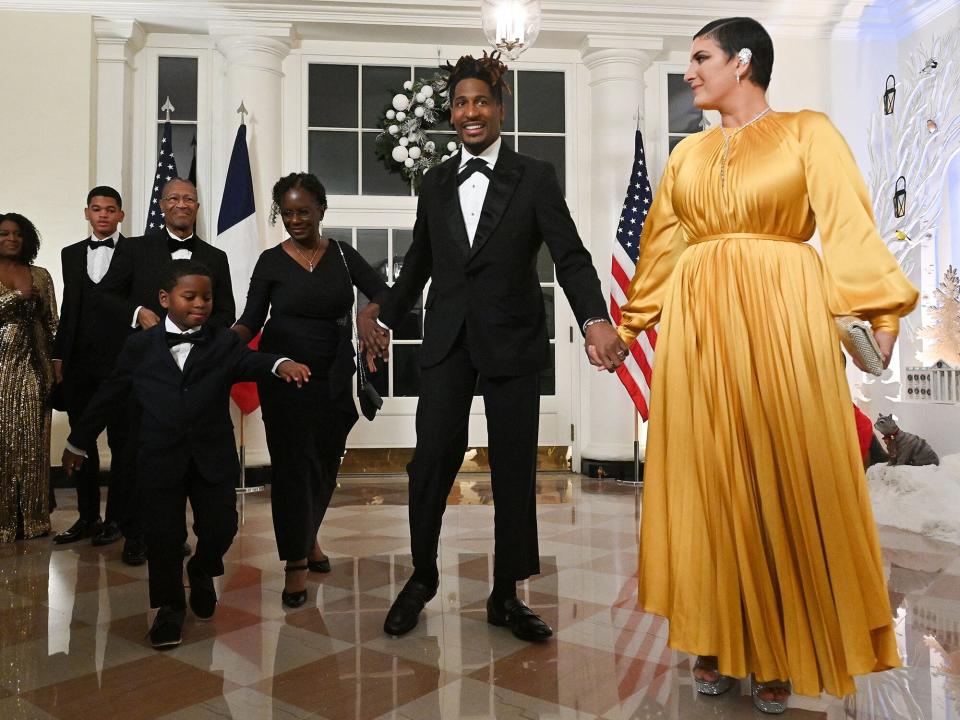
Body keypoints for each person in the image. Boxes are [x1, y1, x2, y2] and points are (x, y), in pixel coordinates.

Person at [608, 16, 919, 713]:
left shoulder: (809, 132)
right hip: (699, 329)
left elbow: (846, 225)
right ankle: (715, 639)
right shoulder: (687, 156)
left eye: (700, 58)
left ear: (742, 62)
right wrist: (630, 329)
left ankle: (778, 650)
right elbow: (659, 247)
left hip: (784, 316)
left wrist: (882, 314)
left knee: (779, 473)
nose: (689, 72)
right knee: (711, 477)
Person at [357, 52, 621, 641]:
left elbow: (571, 255)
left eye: (480, 101)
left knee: (513, 470)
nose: (470, 112)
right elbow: (420, 262)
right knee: (429, 464)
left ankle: (505, 594)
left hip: (514, 342)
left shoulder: (535, 177)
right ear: (449, 114)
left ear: (499, 108)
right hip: (448, 342)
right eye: (459, 103)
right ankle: (422, 576)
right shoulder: (435, 181)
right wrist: (383, 313)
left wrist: (596, 319)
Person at [62, 259, 310, 648]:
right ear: (165, 299)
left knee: (221, 527)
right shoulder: (139, 346)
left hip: (212, 456)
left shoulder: (223, 341)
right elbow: (110, 394)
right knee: (163, 536)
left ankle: (201, 568)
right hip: (159, 455)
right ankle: (170, 609)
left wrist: (280, 363)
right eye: (190, 296)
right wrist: (78, 441)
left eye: (207, 297)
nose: (201, 304)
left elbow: (252, 360)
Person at [233, 172, 389, 608]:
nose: (295, 220)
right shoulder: (270, 261)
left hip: (334, 374)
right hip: (285, 377)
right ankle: (295, 563)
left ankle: (309, 535)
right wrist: (227, 341)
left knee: (323, 465)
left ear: (322, 209)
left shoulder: (342, 255)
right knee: (291, 469)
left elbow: (380, 291)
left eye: (303, 211)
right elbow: (251, 318)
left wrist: (366, 315)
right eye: (287, 212)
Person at [97, 176, 236, 565]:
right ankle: (136, 533)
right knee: (134, 453)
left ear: (196, 206)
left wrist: (201, 332)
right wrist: (137, 312)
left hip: (199, 375)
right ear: (161, 205)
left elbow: (227, 312)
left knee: (191, 460)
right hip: (147, 372)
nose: (181, 203)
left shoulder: (216, 257)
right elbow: (105, 295)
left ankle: (181, 539)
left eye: (188, 198)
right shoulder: (135, 249)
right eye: (173, 197)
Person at [51, 187, 135, 547]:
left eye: (110, 209)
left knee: (122, 441)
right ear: (87, 213)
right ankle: (87, 517)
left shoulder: (136, 252)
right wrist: (58, 355)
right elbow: (70, 308)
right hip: (80, 363)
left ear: (121, 215)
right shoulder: (70, 254)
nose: (103, 215)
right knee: (80, 440)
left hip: (122, 363)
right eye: (97, 209)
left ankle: (116, 519)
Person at [0, 213, 58, 542]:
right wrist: (14, 299)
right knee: (2, 445)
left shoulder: (41, 275)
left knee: (33, 444)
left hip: (33, 368)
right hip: (0, 367)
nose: (11, 239)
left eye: (18, 234)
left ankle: (33, 520)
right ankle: (3, 521)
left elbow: (52, 323)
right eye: (4, 233)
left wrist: (56, 367)